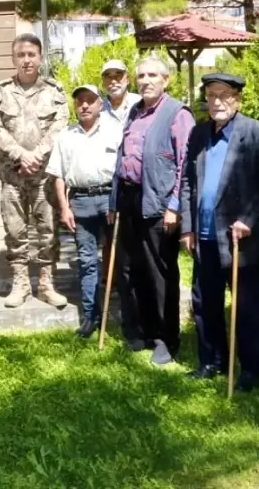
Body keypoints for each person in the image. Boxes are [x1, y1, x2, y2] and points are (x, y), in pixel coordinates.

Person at [179, 73, 259, 391]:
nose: (217, 101)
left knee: (246, 306)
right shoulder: (199, 134)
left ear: (238, 99)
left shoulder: (256, 133)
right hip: (205, 237)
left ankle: (252, 369)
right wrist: (188, 227)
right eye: (211, 95)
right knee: (204, 301)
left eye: (224, 95)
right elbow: (188, 183)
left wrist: (249, 219)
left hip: (241, 239)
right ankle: (212, 361)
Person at [107, 56, 194, 365]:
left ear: (166, 80)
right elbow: (123, 157)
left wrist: (174, 207)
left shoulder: (178, 114)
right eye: (141, 75)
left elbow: (186, 164)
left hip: (158, 204)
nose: (145, 80)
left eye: (152, 75)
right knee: (131, 269)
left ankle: (166, 339)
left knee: (160, 273)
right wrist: (115, 201)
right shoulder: (135, 111)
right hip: (130, 199)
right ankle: (141, 330)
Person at [0, 34, 70, 308]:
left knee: (47, 231)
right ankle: (21, 285)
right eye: (21, 55)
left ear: (40, 57)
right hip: (12, 176)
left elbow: (60, 125)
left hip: (44, 176)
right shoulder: (0, 91)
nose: (26, 60)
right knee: (15, 231)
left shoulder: (54, 91)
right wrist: (20, 154)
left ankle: (46, 284)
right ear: (14, 59)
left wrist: (36, 155)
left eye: (31, 54)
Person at [48, 84, 122, 336]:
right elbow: (58, 175)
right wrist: (64, 208)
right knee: (88, 262)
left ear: (101, 104)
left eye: (90, 100)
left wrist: (116, 202)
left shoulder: (114, 131)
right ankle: (91, 316)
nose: (84, 105)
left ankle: (128, 316)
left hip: (109, 199)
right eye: (80, 101)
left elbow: (123, 170)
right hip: (80, 201)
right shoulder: (66, 135)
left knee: (120, 259)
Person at [100, 59, 142, 126]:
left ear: (128, 79)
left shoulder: (141, 103)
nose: (113, 81)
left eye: (118, 75)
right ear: (103, 82)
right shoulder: (99, 107)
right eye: (108, 76)